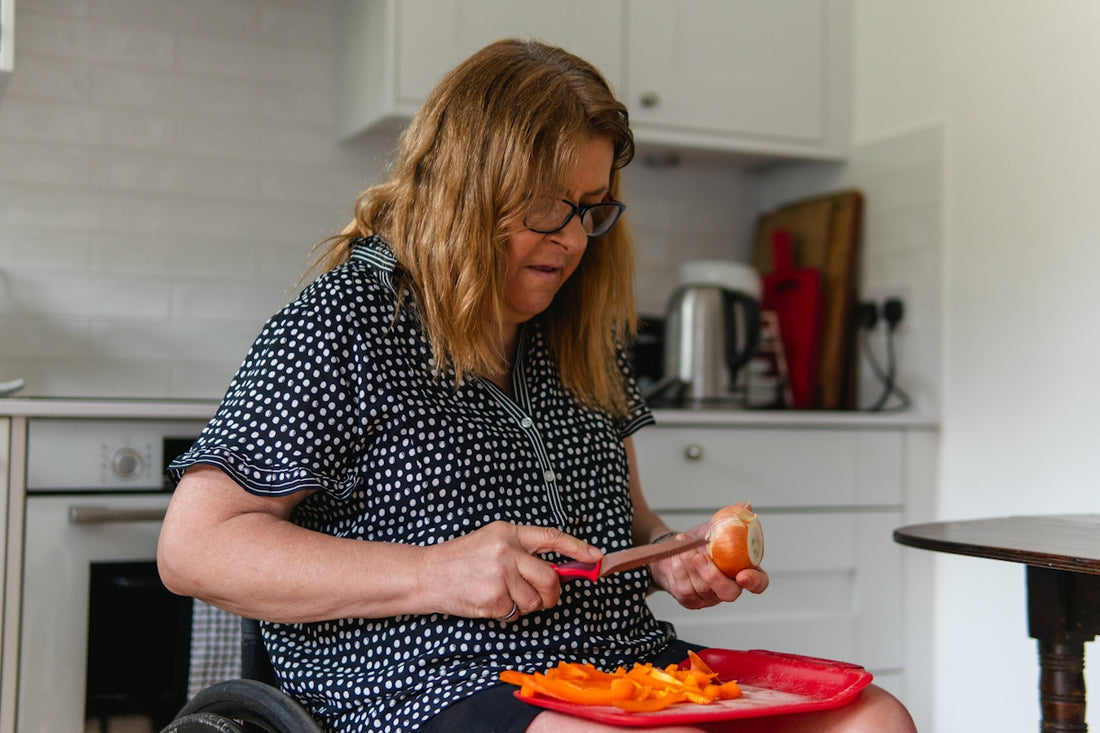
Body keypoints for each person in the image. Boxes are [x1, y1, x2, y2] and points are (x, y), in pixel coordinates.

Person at [157, 38, 916, 733]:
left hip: (617, 667)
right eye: (550, 205)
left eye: (591, 210)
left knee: (875, 718)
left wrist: (666, 553)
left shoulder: (580, 330)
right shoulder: (344, 322)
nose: (574, 237)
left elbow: (629, 519)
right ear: (466, 189)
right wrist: (436, 572)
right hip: (428, 681)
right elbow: (195, 549)